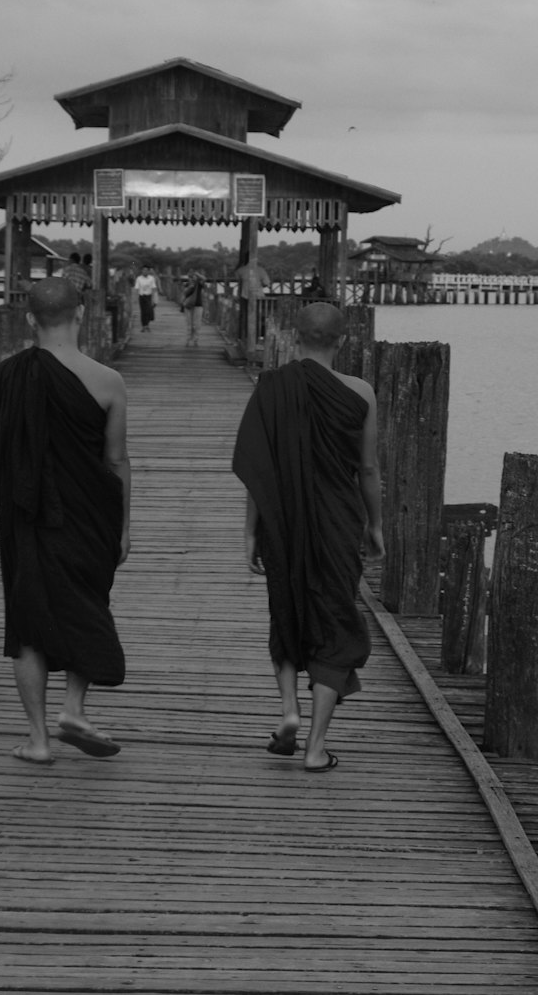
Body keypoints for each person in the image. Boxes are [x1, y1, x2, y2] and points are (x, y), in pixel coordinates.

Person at [0, 277, 131, 765]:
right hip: (90, 515)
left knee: (27, 623)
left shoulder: (2, 377)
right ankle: (74, 707)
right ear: (80, 314)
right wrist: (123, 527)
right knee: (86, 605)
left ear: (30, 319)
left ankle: (38, 739)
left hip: (23, 517)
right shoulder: (107, 380)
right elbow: (117, 461)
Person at [232, 301, 385, 772]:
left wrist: (250, 531)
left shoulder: (271, 388)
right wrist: (376, 525)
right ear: (342, 341)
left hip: (283, 522)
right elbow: (368, 468)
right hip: (338, 521)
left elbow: (261, 467)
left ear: (294, 337)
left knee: (287, 612)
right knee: (334, 624)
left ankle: (289, 711)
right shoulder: (360, 392)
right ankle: (316, 748)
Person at [180, 268, 206, 346]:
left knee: (196, 324)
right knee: (189, 323)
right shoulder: (187, 284)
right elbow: (184, 294)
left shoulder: (199, 284)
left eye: (194, 276)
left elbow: (204, 279)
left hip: (198, 305)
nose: (192, 278)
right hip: (188, 305)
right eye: (191, 276)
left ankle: (195, 340)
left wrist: (197, 274)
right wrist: (189, 287)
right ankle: (188, 340)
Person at [133, 264, 158, 331]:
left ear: (148, 271)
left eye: (146, 270)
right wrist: (135, 298)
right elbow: (136, 288)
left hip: (149, 296)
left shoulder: (151, 278)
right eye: (143, 270)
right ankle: (144, 326)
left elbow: (154, 288)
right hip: (141, 296)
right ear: (141, 271)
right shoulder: (139, 278)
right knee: (143, 311)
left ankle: (147, 324)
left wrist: (154, 298)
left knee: (148, 311)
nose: (145, 271)